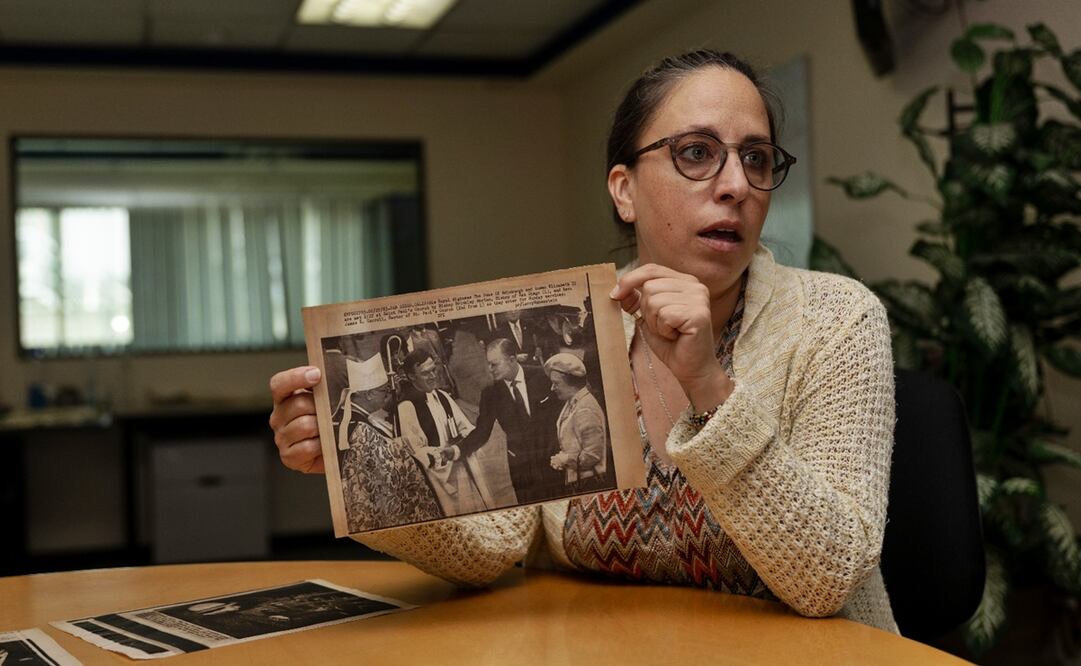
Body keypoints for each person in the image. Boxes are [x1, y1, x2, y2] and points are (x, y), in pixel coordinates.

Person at [269, 49, 896, 633]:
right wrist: (360, 469)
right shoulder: (583, 327)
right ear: (625, 190)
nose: (735, 184)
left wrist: (710, 387)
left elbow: (828, 577)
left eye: (755, 158)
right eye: (698, 153)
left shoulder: (835, 319)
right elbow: (493, 543)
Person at [333, 355, 442, 532]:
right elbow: (387, 473)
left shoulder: (350, 418)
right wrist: (400, 450)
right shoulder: (360, 429)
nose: (387, 396)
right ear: (368, 394)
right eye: (384, 391)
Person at [446, 338, 561, 504]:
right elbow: (481, 432)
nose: (490, 369)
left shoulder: (542, 376)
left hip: (552, 458)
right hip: (521, 467)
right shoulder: (490, 393)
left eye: (495, 364)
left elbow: (562, 413)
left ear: (512, 360)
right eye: (488, 364)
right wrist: (457, 450)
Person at [397, 349, 495, 515]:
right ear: (412, 376)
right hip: (440, 480)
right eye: (425, 373)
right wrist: (443, 454)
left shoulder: (442, 396)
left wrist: (461, 446)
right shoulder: (407, 406)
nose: (433, 376)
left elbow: (466, 427)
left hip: (462, 467)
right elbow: (415, 452)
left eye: (434, 369)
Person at [544, 353, 609, 492]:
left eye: (556, 383)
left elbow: (593, 455)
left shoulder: (585, 408)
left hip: (590, 485)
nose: (552, 388)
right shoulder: (573, 402)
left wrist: (564, 460)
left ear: (571, 382)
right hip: (579, 481)